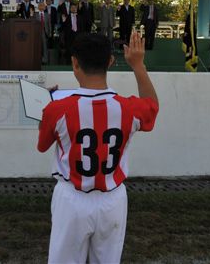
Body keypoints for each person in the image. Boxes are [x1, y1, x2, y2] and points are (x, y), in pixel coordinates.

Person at [37, 31, 159, 264]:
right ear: (111, 62)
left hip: (71, 198)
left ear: (74, 62)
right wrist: (138, 65)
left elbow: (43, 145)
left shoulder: (57, 109)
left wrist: (47, 110)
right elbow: (152, 106)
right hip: (113, 199)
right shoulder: (129, 108)